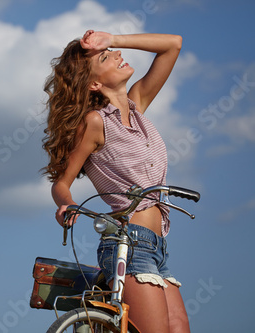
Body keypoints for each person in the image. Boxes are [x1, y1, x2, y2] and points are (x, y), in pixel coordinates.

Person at [41, 30, 187, 333]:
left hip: (158, 247)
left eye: (113, 51)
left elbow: (173, 45)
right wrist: (67, 206)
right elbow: (61, 183)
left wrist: (112, 39)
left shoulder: (138, 105)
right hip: (129, 244)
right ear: (95, 83)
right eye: (106, 57)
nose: (117, 54)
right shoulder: (95, 122)